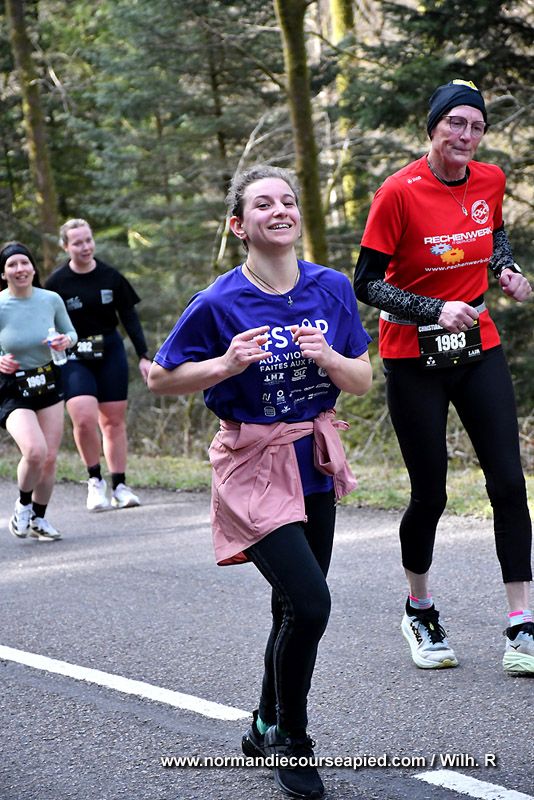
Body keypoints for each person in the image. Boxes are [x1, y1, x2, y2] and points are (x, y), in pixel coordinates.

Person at [148, 165, 372, 799]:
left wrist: (329, 358)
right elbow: (161, 379)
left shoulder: (331, 288)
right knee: (312, 605)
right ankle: (292, 740)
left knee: (291, 608)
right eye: (263, 204)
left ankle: (263, 723)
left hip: (313, 462)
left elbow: (361, 379)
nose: (281, 210)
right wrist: (224, 364)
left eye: (288, 201)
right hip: (252, 465)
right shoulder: (218, 302)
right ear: (238, 225)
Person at [354, 79, 534, 675]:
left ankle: (521, 624)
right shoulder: (397, 193)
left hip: (478, 344)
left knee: (509, 483)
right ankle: (420, 610)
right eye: (455, 122)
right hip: (413, 353)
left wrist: (505, 269)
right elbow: (365, 284)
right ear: (432, 127)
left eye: (476, 126)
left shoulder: (490, 179)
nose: (466, 135)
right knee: (430, 493)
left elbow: (494, 234)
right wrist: (434, 309)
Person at [45, 219, 151, 512]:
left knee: (113, 421)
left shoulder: (111, 276)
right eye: (77, 243)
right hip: (74, 355)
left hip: (110, 352)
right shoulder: (56, 283)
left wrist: (144, 355)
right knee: (83, 417)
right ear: (65, 247)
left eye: (88, 240)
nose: (85, 247)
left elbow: (129, 318)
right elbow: (46, 322)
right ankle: (94, 480)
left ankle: (120, 486)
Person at [0, 241, 78, 541]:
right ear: (3, 274)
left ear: (33, 269)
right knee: (35, 451)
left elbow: (70, 333)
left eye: (24, 263)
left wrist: (65, 341)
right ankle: (22, 506)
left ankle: (39, 519)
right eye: (12, 265)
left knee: (49, 458)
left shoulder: (50, 299)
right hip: (12, 387)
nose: (20, 269)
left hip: (47, 381)